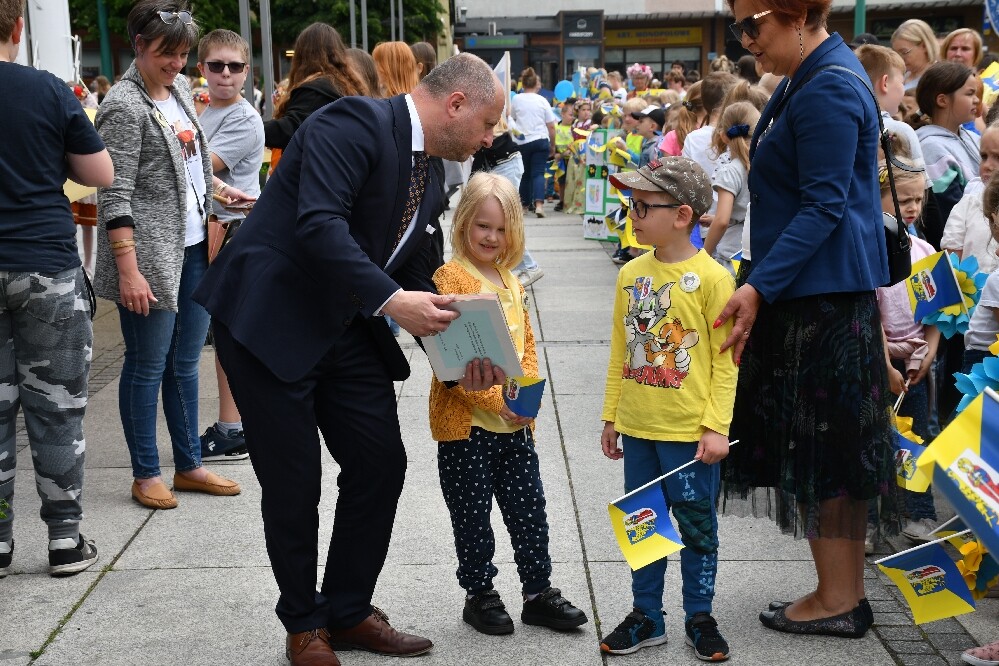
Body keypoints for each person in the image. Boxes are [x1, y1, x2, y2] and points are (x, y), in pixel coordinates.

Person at [192, 53, 508, 665]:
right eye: (488, 124)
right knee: (294, 482)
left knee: (380, 463)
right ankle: (304, 624)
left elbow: (414, 266)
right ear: (457, 104)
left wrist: (462, 351)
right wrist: (394, 302)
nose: (489, 140)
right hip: (270, 324)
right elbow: (320, 226)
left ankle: (349, 608)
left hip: (345, 328)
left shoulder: (435, 173)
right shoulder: (352, 123)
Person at [718, 0, 899, 639]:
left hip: (819, 301)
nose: (745, 38)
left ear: (797, 15)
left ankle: (839, 598)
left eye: (752, 24)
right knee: (826, 456)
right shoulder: (813, 74)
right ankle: (837, 590)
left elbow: (823, 208)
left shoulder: (825, 83)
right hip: (813, 295)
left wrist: (757, 286)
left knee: (827, 458)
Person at [95, 0, 248, 511]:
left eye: (183, 54)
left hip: (193, 249)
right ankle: (145, 472)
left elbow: (192, 162)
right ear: (138, 45)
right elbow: (113, 196)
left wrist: (222, 193)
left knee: (184, 365)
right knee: (145, 365)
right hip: (150, 259)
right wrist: (128, 271)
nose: (177, 64)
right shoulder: (123, 106)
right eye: (166, 54)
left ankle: (187, 465)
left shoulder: (179, 90)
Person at [429, 172, 587, 635]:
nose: (491, 237)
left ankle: (538, 592)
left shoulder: (512, 279)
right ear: (463, 224)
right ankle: (480, 594)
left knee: (530, 513)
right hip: (466, 429)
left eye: (500, 229)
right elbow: (452, 361)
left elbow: (527, 345)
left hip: (515, 426)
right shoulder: (450, 277)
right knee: (473, 518)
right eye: (482, 226)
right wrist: (497, 400)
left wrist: (527, 399)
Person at [599, 156, 735, 660]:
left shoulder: (714, 279)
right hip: (638, 428)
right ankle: (646, 615)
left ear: (681, 215)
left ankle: (699, 614)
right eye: (629, 205)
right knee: (643, 523)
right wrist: (611, 416)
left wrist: (715, 426)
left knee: (696, 525)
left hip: (688, 436)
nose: (631, 215)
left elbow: (726, 366)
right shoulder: (631, 274)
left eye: (641, 207)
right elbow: (620, 349)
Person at [0, 0, 113, 578]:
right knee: (57, 404)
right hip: (44, 263)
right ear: (18, 29)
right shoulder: (46, 90)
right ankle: (65, 540)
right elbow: (101, 175)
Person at [195, 29, 264, 463]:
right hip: (211, 229)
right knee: (223, 335)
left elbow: (199, 167)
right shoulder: (203, 111)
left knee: (228, 335)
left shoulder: (243, 119)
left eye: (234, 66)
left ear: (246, 72)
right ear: (200, 69)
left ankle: (233, 428)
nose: (225, 74)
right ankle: (233, 424)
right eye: (216, 65)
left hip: (233, 232)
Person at [871, 140, 940, 548]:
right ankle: (871, 521)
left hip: (915, 363)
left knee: (914, 440)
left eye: (918, 199)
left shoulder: (926, 251)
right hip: (879, 361)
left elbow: (938, 313)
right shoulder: (872, 251)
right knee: (873, 440)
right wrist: (885, 366)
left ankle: (918, 514)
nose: (912, 207)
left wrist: (928, 353)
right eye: (902, 199)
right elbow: (871, 315)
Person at [264, 23, 367, 151]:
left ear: (303, 56)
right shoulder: (349, 86)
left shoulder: (315, 90)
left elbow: (291, 128)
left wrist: (253, 130)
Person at [702, 101, 760, 274]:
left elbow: (722, 221)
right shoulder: (768, 164)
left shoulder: (729, 171)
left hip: (731, 257)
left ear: (723, 136)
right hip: (759, 252)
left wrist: (703, 257)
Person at [942, 121, 999, 275]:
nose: (987, 165)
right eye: (984, 156)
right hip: (972, 295)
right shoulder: (969, 202)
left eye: (997, 157)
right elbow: (952, 253)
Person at [510, 67, 556, 218]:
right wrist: (553, 145)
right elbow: (551, 125)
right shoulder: (542, 100)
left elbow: (512, 118)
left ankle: (523, 206)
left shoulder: (516, 99)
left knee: (524, 175)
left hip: (523, 141)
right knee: (538, 173)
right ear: (536, 83)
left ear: (522, 84)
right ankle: (539, 205)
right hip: (540, 140)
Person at [892, 19, 939, 91]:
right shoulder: (902, 75)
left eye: (904, 52)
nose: (900, 59)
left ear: (924, 46)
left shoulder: (938, 78)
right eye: (896, 53)